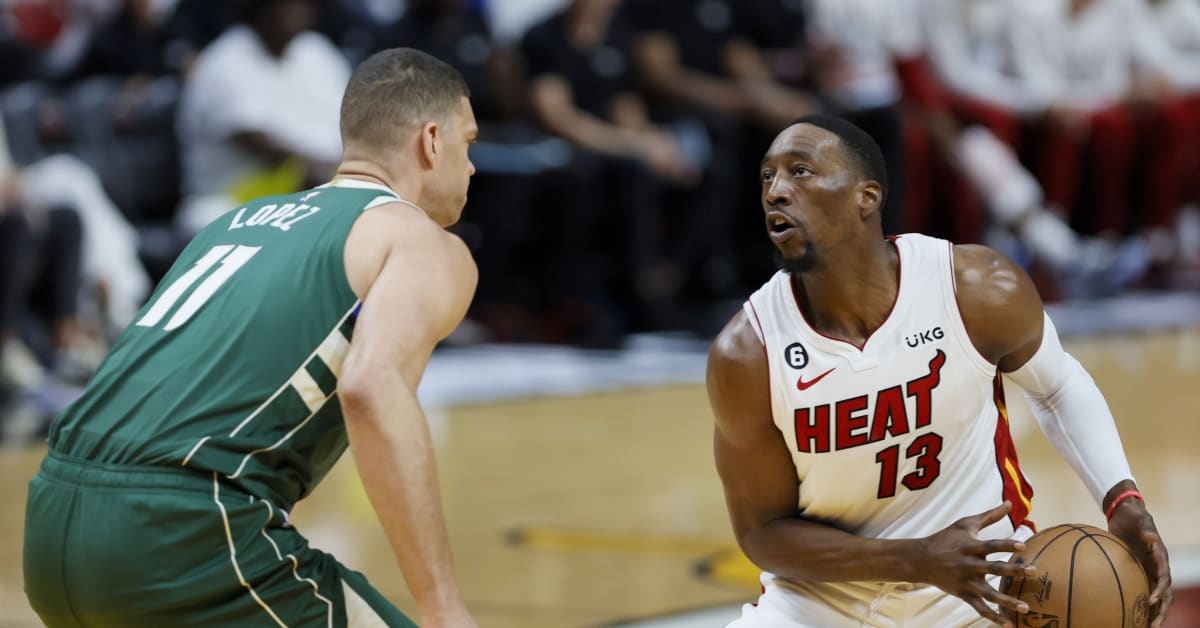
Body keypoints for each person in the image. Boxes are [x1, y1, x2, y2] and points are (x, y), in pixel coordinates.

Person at [24, 47, 480, 627]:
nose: (471, 167)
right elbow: (371, 387)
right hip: (180, 534)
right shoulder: (420, 243)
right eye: (469, 144)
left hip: (51, 519)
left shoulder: (235, 223)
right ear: (431, 140)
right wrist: (443, 606)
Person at [706, 115, 1173, 627]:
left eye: (800, 171)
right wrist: (915, 559)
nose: (776, 191)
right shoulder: (748, 354)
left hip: (986, 585)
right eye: (767, 177)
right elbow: (763, 533)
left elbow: (1057, 386)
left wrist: (1120, 496)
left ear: (867, 196)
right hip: (820, 605)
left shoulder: (975, 289)